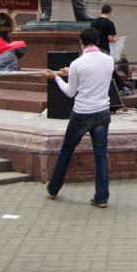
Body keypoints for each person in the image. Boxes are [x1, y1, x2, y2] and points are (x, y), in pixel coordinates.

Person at [45, 28, 114, 207]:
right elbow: (94, 74)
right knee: (101, 155)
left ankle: (53, 189)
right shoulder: (109, 60)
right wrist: (70, 71)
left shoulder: (78, 63)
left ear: (80, 42)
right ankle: (102, 197)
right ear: (97, 41)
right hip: (102, 112)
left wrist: (56, 78)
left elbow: (70, 92)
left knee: (66, 151)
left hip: (82, 113)